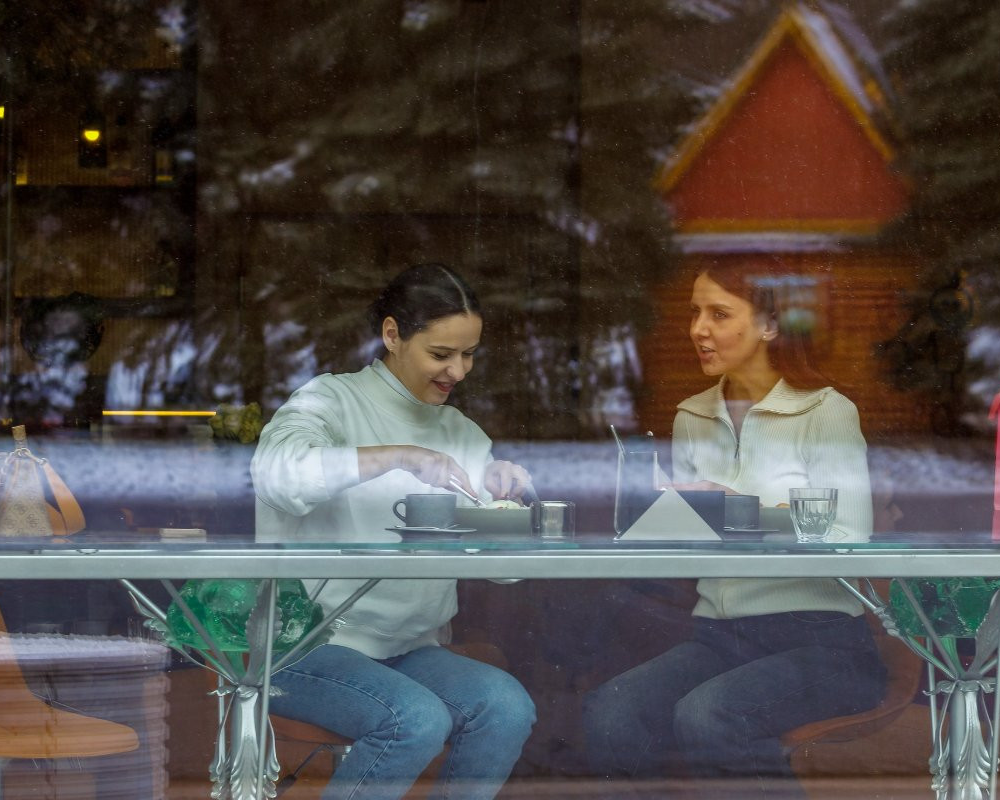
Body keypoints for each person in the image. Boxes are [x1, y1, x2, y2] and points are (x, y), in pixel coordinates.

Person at [583, 260, 885, 794]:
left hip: (824, 643)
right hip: (720, 637)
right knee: (612, 710)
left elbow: (849, 537)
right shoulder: (692, 416)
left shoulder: (826, 411)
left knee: (708, 714)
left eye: (719, 314)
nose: (698, 329)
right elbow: (692, 546)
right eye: (694, 312)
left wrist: (737, 509)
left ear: (770, 325)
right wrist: (657, 514)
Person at [251, 263, 536, 800]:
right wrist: (396, 456)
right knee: (414, 720)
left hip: (410, 650)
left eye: (469, 354)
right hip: (305, 649)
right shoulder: (328, 401)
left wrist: (508, 504)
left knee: (506, 707)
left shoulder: (462, 434)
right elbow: (276, 478)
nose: (458, 371)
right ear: (391, 335)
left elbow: (505, 573)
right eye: (441, 353)